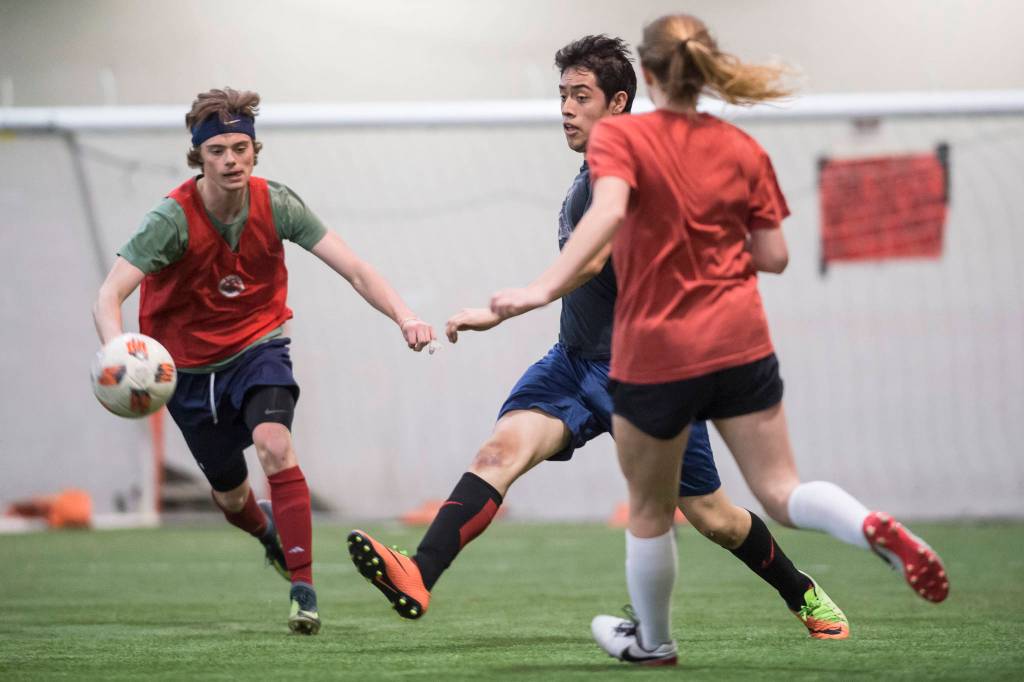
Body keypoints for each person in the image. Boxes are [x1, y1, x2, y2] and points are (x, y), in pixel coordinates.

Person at [346, 36, 846, 646]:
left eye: (580, 97)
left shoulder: (628, 174)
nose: (565, 109)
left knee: (712, 517)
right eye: (561, 95)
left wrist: (517, 302)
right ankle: (419, 573)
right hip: (571, 362)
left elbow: (594, 260)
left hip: (645, 374)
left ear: (618, 103)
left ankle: (803, 592)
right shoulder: (588, 174)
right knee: (498, 455)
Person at [490, 16, 948, 666]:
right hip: (740, 342)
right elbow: (776, 255)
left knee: (650, 510)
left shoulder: (625, 144)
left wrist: (540, 291)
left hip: (660, 351)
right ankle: (868, 526)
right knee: (782, 491)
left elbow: (607, 221)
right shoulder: (741, 147)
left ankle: (653, 642)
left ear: (644, 80)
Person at [92, 87, 436, 636]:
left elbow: (354, 268)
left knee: (275, 446)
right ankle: (267, 536)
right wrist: (119, 353)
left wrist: (404, 315)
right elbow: (109, 296)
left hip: (258, 347)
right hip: (184, 371)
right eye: (218, 151)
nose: (231, 159)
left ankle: (304, 588)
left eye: (241, 147)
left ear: (255, 151)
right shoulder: (170, 219)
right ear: (199, 157)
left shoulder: (277, 203)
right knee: (230, 495)